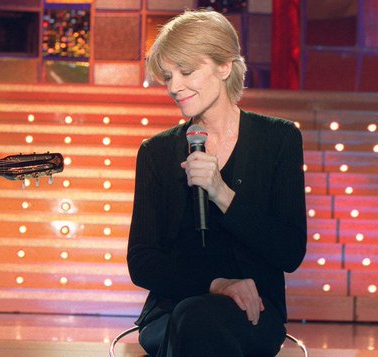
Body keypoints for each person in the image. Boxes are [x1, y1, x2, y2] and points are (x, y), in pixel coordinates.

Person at [127, 9, 307, 356]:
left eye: (186, 71)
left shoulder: (279, 139)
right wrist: (216, 285)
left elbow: (290, 250)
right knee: (192, 318)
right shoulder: (157, 152)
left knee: (202, 325)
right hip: (172, 311)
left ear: (225, 66)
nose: (174, 86)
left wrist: (222, 193)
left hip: (254, 314)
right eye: (167, 76)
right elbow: (142, 261)